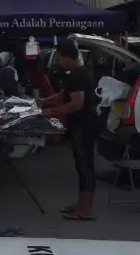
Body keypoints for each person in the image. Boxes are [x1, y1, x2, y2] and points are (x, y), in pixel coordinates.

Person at [39, 40, 98, 220]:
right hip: (79, 125)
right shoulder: (76, 73)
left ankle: (85, 209)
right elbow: (65, 95)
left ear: (66, 56)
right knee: (81, 166)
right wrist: (45, 101)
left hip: (83, 125)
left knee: (85, 166)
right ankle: (80, 203)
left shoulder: (79, 74)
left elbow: (76, 104)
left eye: (59, 57)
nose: (58, 61)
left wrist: (52, 112)